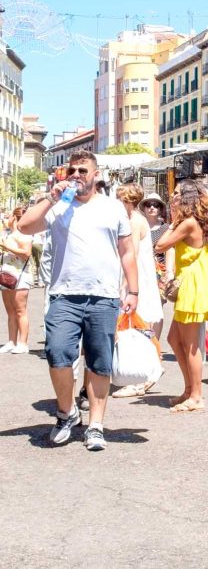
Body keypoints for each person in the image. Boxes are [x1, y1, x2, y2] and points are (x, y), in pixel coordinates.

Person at [18, 151, 138, 451]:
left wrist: (133, 290)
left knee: (99, 363)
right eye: (72, 169)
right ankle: (67, 412)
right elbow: (24, 226)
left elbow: (126, 251)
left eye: (83, 170)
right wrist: (51, 196)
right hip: (64, 295)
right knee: (57, 353)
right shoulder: (58, 207)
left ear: (95, 175)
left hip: (104, 297)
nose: (76, 174)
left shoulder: (113, 208)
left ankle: (96, 425)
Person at [155, 180, 208, 412]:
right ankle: (189, 389)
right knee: (173, 339)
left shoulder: (188, 223)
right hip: (193, 281)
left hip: (193, 284)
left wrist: (172, 221)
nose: (173, 196)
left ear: (187, 198)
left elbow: (160, 245)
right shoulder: (195, 221)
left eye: (178, 193)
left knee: (191, 345)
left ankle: (197, 395)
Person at [111, 184, 165, 398]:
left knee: (138, 327)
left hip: (137, 280)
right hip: (140, 278)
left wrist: (125, 287)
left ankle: (144, 373)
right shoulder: (136, 219)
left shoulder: (133, 221)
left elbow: (129, 254)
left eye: (120, 199)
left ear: (128, 201)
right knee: (140, 327)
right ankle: (148, 369)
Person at [0, 207, 34, 355]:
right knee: (10, 311)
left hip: (20, 276)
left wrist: (7, 247)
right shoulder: (9, 234)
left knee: (20, 310)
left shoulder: (24, 235)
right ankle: (11, 341)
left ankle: (23, 343)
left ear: (14, 217)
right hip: (6, 275)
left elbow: (27, 253)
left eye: (9, 216)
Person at [142, 192, 174, 342]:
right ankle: (143, 341)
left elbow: (170, 249)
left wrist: (168, 271)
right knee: (141, 307)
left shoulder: (165, 228)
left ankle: (155, 343)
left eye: (155, 205)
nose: (152, 207)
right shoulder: (138, 225)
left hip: (158, 273)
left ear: (160, 208)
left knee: (157, 308)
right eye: (149, 204)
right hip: (141, 270)